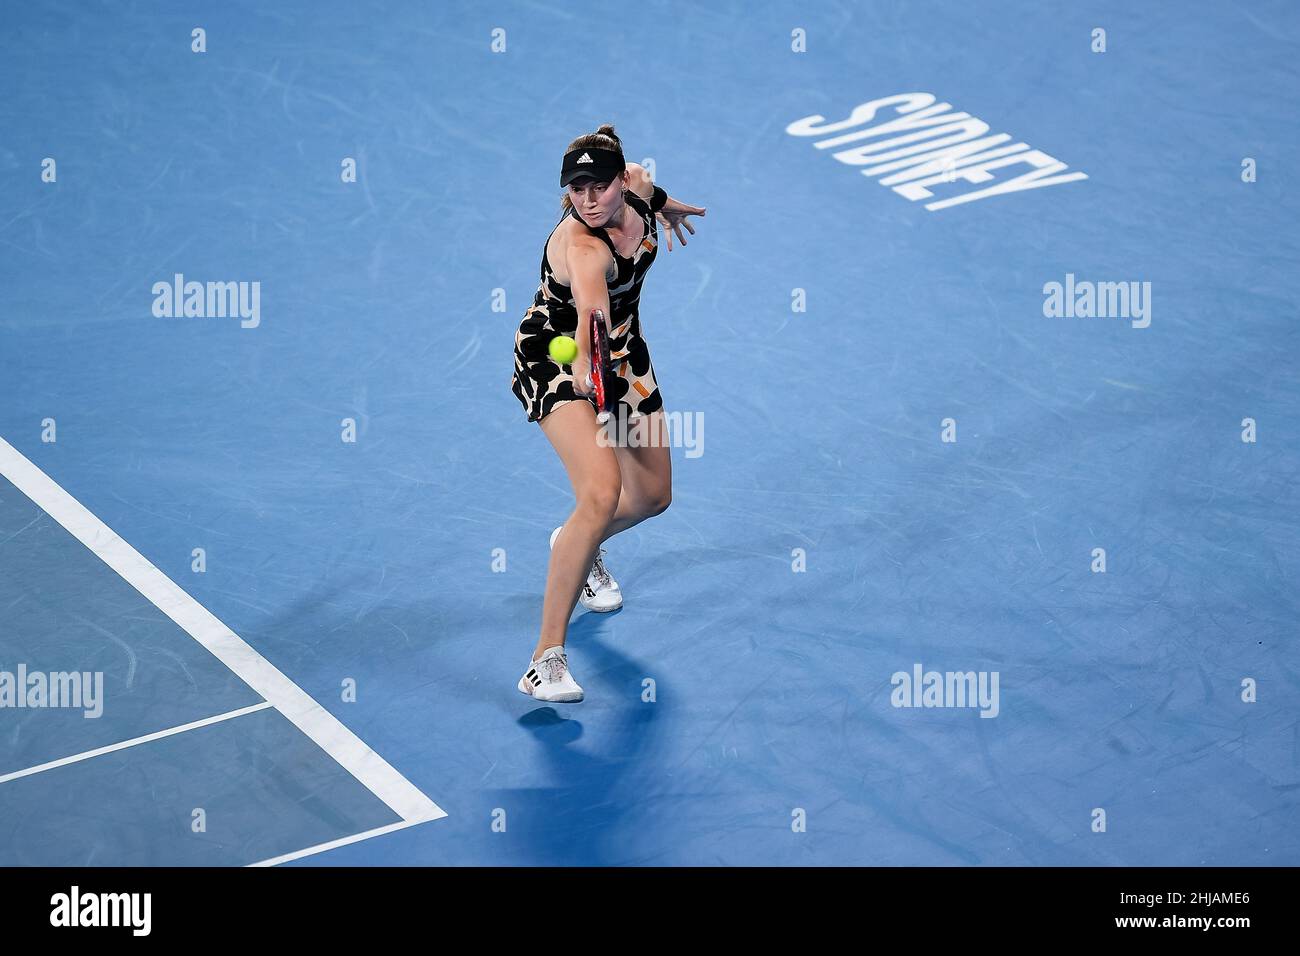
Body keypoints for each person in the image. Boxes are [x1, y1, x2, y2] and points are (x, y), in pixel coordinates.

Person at [510, 124, 706, 702]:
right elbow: (591, 317)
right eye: (577, 189)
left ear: (623, 180)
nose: (588, 199)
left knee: (651, 497)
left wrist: (667, 207)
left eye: (599, 185)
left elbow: (651, 190)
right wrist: (590, 385)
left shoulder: (638, 191)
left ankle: (575, 540)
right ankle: (544, 660)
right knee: (599, 492)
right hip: (559, 359)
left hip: (623, 359)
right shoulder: (584, 249)